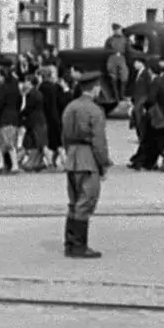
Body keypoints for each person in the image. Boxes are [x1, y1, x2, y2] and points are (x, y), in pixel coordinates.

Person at [60, 69, 109, 259]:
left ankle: (70, 243)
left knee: (73, 201)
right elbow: (99, 141)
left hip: (72, 156)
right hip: (88, 158)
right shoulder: (95, 110)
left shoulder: (70, 107)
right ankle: (80, 246)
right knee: (87, 200)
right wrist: (103, 163)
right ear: (95, 88)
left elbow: (64, 135)